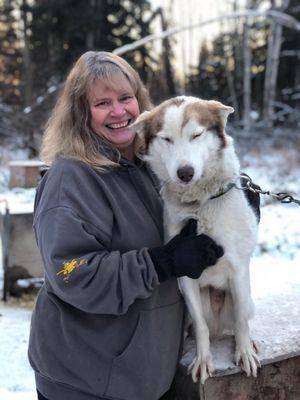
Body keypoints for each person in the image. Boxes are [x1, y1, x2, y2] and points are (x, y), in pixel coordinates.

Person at [28, 51, 257, 400]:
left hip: (145, 373)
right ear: (80, 113)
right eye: (102, 103)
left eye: (125, 97)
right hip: (88, 382)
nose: (118, 112)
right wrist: (160, 262)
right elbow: (70, 273)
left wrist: (228, 200)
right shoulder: (70, 179)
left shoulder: (149, 167)